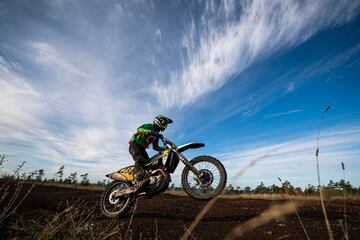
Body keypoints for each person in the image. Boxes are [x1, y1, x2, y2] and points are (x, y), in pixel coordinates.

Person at [128, 115, 173, 183]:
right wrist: (148, 131)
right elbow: (139, 129)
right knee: (141, 159)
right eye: (164, 124)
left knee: (149, 163)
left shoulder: (157, 134)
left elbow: (155, 147)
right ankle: (136, 178)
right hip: (135, 144)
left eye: (166, 125)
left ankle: (145, 181)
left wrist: (164, 149)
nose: (165, 127)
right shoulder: (150, 126)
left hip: (142, 149)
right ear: (158, 121)